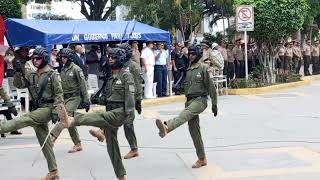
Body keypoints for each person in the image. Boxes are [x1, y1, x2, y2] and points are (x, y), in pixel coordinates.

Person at [62, 47, 135, 180]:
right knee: (112, 149)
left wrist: (129, 114)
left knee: (100, 116)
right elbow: (107, 98)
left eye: (113, 57)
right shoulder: (111, 77)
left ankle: (72, 119)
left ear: (120, 59)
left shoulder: (126, 75)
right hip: (111, 112)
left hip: (120, 113)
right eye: (109, 57)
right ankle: (121, 176)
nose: (110, 59)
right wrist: (97, 99)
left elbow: (130, 97)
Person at [1, 47, 69, 179]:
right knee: (44, 141)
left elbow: (59, 94)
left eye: (38, 58)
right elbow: (19, 85)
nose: (35, 60)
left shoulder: (52, 75)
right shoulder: (32, 74)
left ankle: (2, 127)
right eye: (34, 58)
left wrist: (56, 111)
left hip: (48, 109)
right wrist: (18, 71)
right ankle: (53, 171)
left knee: (25, 119)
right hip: (38, 108)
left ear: (44, 59)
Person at [155, 45, 218, 169]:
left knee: (184, 114)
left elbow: (211, 88)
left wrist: (214, 104)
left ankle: (167, 126)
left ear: (199, 54)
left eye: (193, 54)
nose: (191, 56)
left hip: (200, 100)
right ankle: (202, 158)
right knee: (194, 131)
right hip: (189, 100)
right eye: (189, 54)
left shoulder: (203, 68)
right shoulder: (188, 69)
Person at [50, 48, 90, 153]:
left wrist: (86, 100)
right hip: (65, 98)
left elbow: (83, 85)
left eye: (65, 57)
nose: (63, 59)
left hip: (75, 97)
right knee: (69, 121)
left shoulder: (76, 69)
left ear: (69, 58)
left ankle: (52, 138)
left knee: (65, 117)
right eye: (62, 57)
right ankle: (77, 144)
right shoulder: (62, 70)